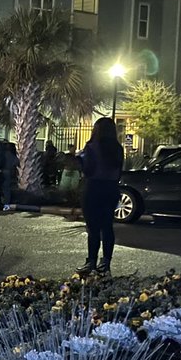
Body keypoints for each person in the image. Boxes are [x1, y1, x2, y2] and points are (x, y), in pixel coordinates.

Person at [77, 117, 124, 275]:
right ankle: (106, 263)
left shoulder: (91, 147)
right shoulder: (118, 148)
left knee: (93, 228)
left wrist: (79, 162)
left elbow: (88, 170)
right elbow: (119, 172)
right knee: (107, 226)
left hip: (93, 188)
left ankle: (91, 262)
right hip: (111, 189)